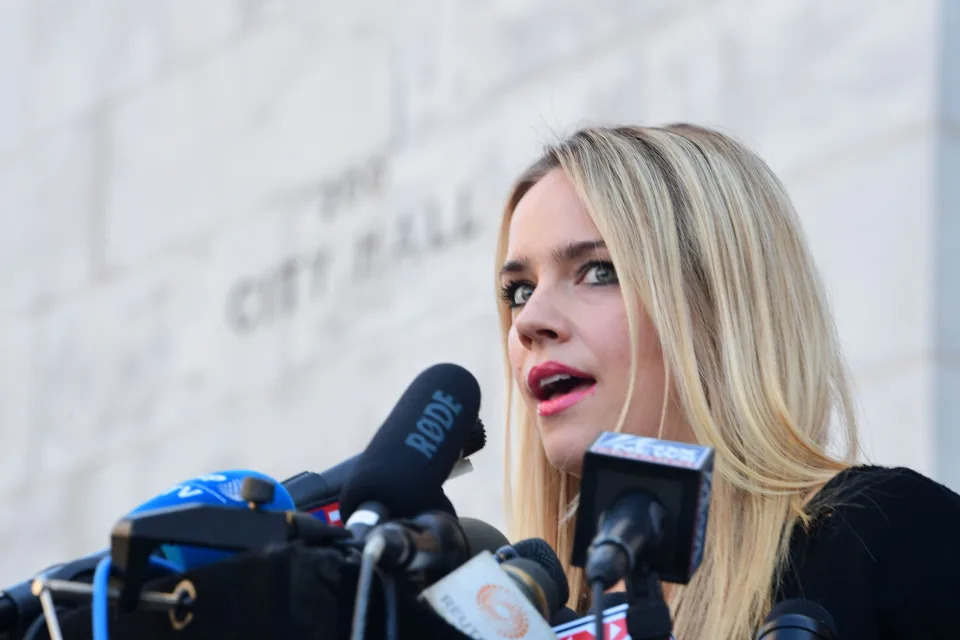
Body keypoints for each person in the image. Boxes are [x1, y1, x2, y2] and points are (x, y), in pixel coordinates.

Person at [495, 124, 960, 639]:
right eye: (518, 290)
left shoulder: (891, 541)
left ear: (719, 303)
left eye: (599, 271)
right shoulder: (526, 617)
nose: (529, 321)